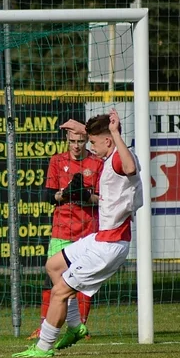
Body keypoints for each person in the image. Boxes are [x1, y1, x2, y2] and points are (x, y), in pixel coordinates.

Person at [14, 109, 141, 357]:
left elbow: (130, 167)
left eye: (92, 142)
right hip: (99, 238)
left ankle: (43, 347)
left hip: (110, 245)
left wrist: (115, 132)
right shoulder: (107, 157)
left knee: (60, 291)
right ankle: (74, 327)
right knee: (53, 266)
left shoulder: (117, 158)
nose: (89, 147)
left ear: (107, 140)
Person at [26, 119, 103, 342]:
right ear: (66, 140)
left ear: (87, 140)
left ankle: (80, 327)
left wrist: (86, 196)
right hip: (61, 230)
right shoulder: (57, 161)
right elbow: (48, 196)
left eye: (80, 141)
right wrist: (63, 194)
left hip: (87, 231)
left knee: (83, 282)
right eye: (72, 141)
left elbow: (103, 200)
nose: (76, 146)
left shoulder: (97, 163)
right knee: (53, 281)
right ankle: (44, 326)